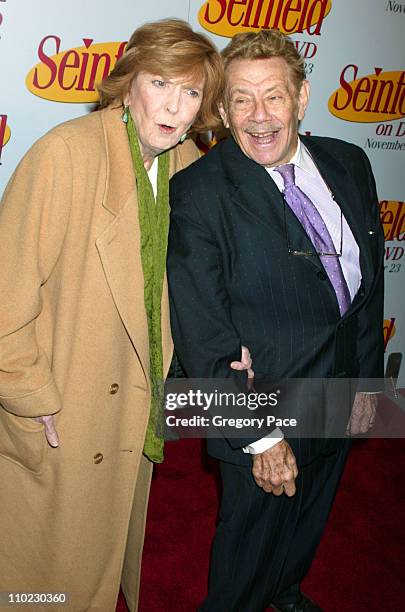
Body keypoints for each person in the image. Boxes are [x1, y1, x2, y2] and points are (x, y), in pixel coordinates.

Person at [0, 18, 253, 612]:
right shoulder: (64, 154)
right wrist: (30, 395)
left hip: (130, 407)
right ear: (128, 82)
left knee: (97, 558)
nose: (175, 106)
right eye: (162, 83)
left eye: (192, 93)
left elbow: (197, 281)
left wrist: (227, 343)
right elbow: (5, 295)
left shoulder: (186, 162)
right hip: (64, 402)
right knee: (42, 583)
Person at [167, 29, 384, 612]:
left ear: (303, 98)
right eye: (241, 100)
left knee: (307, 523)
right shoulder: (199, 194)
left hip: (338, 389)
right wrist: (260, 437)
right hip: (263, 408)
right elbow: (202, 331)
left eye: (274, 97)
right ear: (223, 109)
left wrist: (367, 381)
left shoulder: (350, 162)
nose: (259, 117)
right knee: (246, 552)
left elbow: (366, 285)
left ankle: (285, 591)